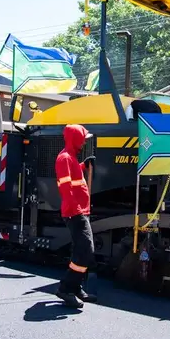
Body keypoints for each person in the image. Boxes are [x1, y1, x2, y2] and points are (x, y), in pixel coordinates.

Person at [54, 124, 97, 309]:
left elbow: (74, 176)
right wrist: (77, 210)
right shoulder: (64, 158)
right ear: (75, 138)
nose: (84, 142)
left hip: (79, 211)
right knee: (86, 250)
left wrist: (83, 165)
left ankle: (76, 287)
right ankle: (66, 289)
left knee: (80, 251)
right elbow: (66, 189)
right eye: (82, 138)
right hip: (75, 212)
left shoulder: (70, 158)